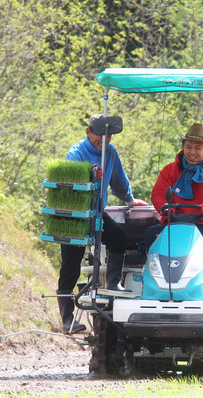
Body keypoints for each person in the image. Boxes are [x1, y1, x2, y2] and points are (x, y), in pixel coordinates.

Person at [57, 114, 148, 333]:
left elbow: (118, 181)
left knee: (117, 237)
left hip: (97, 212)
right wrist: (89, 175)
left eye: (108, 136)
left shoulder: (111, 153)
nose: (103, 140)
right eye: (99, 135)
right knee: (71, 266)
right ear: (88, 131)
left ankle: (113, 283)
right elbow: (71, 186)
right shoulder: (76, 153)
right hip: (75, 215)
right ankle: (67, 319)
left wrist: (130, 200)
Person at [146, 122, 203, 287]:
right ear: (183, 147)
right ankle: (153, 282)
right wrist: (164, 207)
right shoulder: (169, 170)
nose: (192, 152)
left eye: (198, 148)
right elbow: (158, 194)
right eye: (189, 147)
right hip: (173, 222)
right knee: (151, 234)